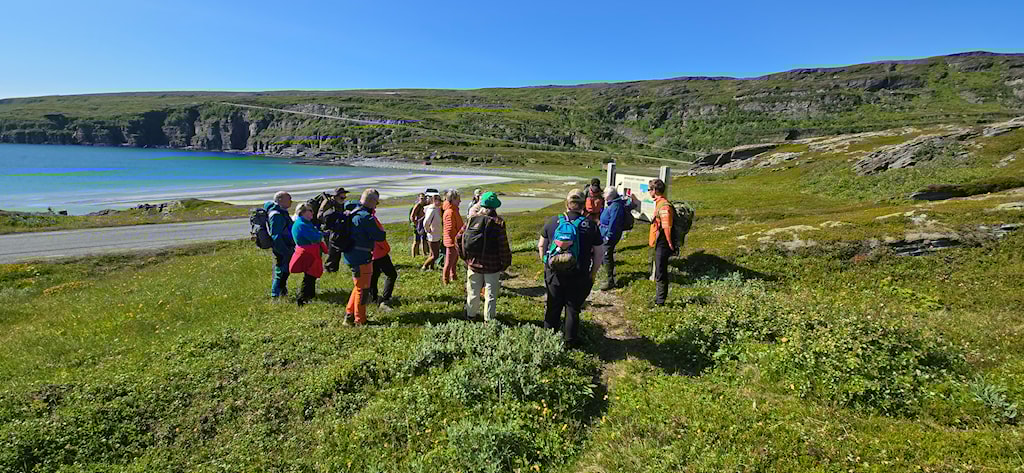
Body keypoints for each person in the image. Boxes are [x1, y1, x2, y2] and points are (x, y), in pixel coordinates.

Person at [538, 189, 604, 347]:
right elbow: (599, 253)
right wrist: (592, 273)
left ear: (566, 203)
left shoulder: (553, 221)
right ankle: (569, 342)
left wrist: (547, 264)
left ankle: (548, 340)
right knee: (573, 308)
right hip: (579, 273)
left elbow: (541, 244)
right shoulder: (591, 225)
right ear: (583, 205)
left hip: (554, 273)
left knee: (553, 306)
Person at [455, 192, 511, 322]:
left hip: (473, 264)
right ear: (495, 207)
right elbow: (503, 246)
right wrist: (505, 263)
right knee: (490, 295)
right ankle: (489, 321)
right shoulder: (499, 223)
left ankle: (470, 316)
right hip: (493, 266)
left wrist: (465, 257)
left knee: (473, 293)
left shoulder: (471, 220)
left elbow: (458, 238)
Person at [343, 189, 387, 326]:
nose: (376, 205)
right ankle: (360, 319)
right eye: (376, 202)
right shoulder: (365, 217)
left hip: (350, 254)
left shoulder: (353, 210)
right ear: (372, 201)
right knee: (363, 289)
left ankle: (349, 315)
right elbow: (380, 236)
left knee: (358, 286)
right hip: (362, 257)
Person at [599, 186, 639, 290]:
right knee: (605, 254)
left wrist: (608, 236)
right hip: (605, 232)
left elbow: (614, 222)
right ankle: (608, 276)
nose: (603, 196)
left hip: (609, 235)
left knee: (607, 255)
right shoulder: (614, 203)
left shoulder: (615, 206)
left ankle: (610, 280)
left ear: (609, 196)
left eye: (604, 194)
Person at [289, 202, 329, 306]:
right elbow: (315, 237)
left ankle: (310, 295)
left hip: (310, 251)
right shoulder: (302, 224)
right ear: (302, 212)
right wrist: (320, 234)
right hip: (308, 252)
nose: (312, 213)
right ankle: (303, 298)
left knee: (311, 275)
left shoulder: (305, 223)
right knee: (309, 276)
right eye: (310, 211)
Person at [264, 191, 295, 298]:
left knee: (284, 271)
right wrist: (284, 251)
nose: (291, 201)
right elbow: (276, 235)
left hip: (286, 246)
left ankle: (282, 292)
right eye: (289, 198)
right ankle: (275, 295)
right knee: (281, 271)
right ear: (280, 199)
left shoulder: (281, 212)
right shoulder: (276, 215)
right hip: (282, 247)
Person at [648, 178, 674, 306]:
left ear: (655, 190)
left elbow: (667, 227)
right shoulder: (659, 203)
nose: (648, 192)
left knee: (661, 272)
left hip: (663, 243)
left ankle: (660, 301)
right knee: (659, 270)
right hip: (660, 243)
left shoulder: (664, 206)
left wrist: (669, 244)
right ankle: (659, 299)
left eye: (649, 189)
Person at [368, 205, 397, 311]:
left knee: (374, 276)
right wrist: (386, 248)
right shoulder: (372, 220)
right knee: (391, 274)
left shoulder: (363, 218)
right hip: (379, 253)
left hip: (370, 253)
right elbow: (379, 237)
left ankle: (373, 298)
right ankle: (386, 299)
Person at [320, 187, 350, 273]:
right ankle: (328, 269)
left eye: (344, 198)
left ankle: (332, 270)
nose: (343, 199)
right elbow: (320, 215)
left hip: (336, 229)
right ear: (336, 196)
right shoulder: (328, 203)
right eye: (342, 197)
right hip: (328, 230)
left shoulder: (339, 203)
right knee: (332, 252)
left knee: (335, 252)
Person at [442, 189, 464, 285]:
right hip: (452, 241)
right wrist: (457, 239)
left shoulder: (453, 210)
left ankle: (453, 276)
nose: (460, 201)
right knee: (449, 262)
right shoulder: (450, 212)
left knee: (454, 261)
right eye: (458, 199)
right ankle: (445, 281)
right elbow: (450, 230)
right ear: (453, 199)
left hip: (454, 240)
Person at [420, 193, 443, 270]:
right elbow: (426, 222)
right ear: (434, 200)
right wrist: (428, 230)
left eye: (441, 200)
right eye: (439, 200)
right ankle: (424, 266)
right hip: (432, 234)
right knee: (435, 255)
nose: (441, 202)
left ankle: (431, 267)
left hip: (437, 233)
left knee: (432, 253)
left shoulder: (437, 209)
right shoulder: (432, 210)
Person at [409, 193, 427, 258]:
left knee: (424, 240)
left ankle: (424, 254)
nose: (423, 200)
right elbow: (412, 216)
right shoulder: (417, 206)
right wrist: (416, 224)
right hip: (417, 225)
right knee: (416, 241)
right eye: (421, 198)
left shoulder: (425, 205)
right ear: (419, 199)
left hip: (423, 225)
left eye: (424, 198)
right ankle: (413, 256)